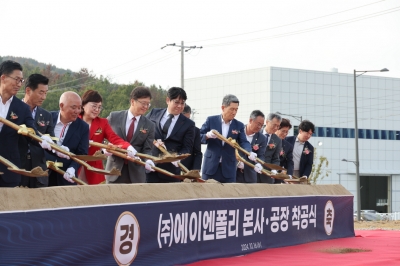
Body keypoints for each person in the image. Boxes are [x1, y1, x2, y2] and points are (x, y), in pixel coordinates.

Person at [0, 61, 53, 187]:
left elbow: (31, 130)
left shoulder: (22, 108)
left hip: (9, 169)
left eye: (21, 81)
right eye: (16, 80)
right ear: (3, 78)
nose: (19, 84)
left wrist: (42, 140)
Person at [78, 90, 143, 184]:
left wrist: (128, 147)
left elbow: (114, 138)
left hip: (94, 169)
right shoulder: (74, 120)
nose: (97, 110)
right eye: (94, 106)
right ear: (83, 105)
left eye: (99, 107)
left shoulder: (102, 123)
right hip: (75, 165)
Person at [200, 94, 256, 183]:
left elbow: (244, 142)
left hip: (229, 169)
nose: (234, 112)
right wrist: (207, 135)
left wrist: (249, 151)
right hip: (211, 167)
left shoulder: (239, 125)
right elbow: (198, 137)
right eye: (232, 109)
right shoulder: (211, 120)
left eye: (236, 110)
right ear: (223, 108)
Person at [105, 87, 155, 183]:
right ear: (132, 101)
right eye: (143, 103)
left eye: (148, 104)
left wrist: (148, 160)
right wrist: (105, 148)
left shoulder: (150, 125)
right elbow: (103, 136)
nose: (146, 107)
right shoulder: (114, 117)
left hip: (136, 173)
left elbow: (147, 149)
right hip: (114, 170)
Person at [146, 87, 195, 183]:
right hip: (150, 167)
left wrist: (178, 158)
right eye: (176, 102)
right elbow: (143, 132)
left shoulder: (189, 124)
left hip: (171, 172)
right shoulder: (154, 113)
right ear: (168, 100)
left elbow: (187, 148)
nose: (180, 106)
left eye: (182, 103)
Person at [19, 74, 54, 188]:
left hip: (38, 171)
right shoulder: (14, 109)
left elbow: (52, 142)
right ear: (28, 90)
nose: (44, 97)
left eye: (46, 93)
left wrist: (55, 147)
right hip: (17, 167)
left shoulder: (46, 115)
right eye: (41, 92)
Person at [47, 91, 89, 186]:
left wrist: (73, 168)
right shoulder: (48, 118)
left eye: (79, 108)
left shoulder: (83, 127)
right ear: (61, 106)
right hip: (44, 175)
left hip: (66, 177)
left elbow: (82, 153)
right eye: (73, 107)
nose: (77, 111)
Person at [236, 110, 266, 183]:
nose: (260, 127)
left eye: (262, 125)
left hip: (250, 175)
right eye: (258, 124)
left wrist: (259, 164)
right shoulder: (237, 131)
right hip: (234, 172)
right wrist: (237, 162)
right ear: (250, 120)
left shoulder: (262, 138)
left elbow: (261, 155)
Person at [257, 113, 282, 184]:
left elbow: (276, 158)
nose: (276, 128)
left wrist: (274, 169)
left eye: (278, 126)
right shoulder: (257, 133)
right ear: (267, 122)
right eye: (274, 125)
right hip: (253, 171)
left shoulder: (277, 140)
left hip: (267, 175)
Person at [180, 104, 202, 171]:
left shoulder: (195, 131)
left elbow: (197, 153)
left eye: (188, 119)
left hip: (187, 169)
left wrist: (195, 170)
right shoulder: (170, 128)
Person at [274, 118, 294, 183]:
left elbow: (289, 162)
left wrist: (289, 175)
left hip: (278, 176)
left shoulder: (288, 146)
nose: (285, 134)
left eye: (287, 132)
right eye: (283, 131)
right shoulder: (268, 139)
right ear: (276, 129)